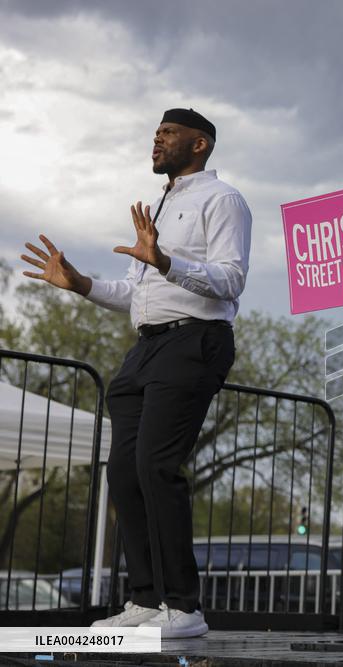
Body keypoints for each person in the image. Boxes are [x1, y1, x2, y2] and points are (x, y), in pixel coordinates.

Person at [19, 108, 252, 639]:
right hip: (146, 348)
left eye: (168, 134)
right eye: (156, 133)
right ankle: (146, 599)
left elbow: (232, 280)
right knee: (123, 471)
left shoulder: (224, 199)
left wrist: (167, 262)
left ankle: (184, 606)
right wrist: (81, 284)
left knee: (155, 465)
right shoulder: (162, 204)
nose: (157, 141)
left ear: (200, 144)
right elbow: (135, 293)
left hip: (195, 339)